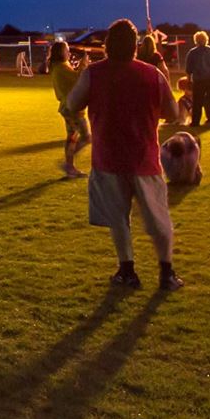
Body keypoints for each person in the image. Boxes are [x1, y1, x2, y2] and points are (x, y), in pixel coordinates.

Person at [59, 19, 183, 290]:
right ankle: (166, 272)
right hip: (145, 158)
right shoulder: (152, 74)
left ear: (107, 45)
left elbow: (72, 104)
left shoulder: (94, 74)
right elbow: (173, 113)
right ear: (135, 46)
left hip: (108, 158)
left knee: (118, 219)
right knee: (159, 219)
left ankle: (127, 270)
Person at [49, 40, 89, 177]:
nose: (69, 52)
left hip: (68, 106)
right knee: (86, 137)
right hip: (72, 107)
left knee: (72, 137)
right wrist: (83, 64)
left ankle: (70, 167)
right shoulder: (61, 68)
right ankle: (67, 164)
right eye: (66, 50)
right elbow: (78, 79)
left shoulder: (59, 66)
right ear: (61, 52)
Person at [184, 30, 210, 129]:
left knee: (197, 102)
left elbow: (189, 68)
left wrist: (189, 80)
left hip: (199, 80)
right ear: (206, 40)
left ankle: (195, 122)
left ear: (196, 40)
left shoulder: (193, 53)